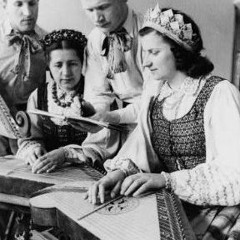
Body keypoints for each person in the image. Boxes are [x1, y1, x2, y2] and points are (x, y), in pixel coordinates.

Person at [86, 5, 240, 239]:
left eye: (153, 53)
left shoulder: (219, 93)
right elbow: (142, 148)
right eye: (144, 53)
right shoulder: (156, 95)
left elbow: (234, 171)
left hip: (218, 204)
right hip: (172, 203)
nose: (145, 63)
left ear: (178, 51)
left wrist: (167, 180)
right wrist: (117, 174)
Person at [17, 29, 119, 175]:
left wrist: (65, 154)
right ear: (48, 66)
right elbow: (30, 138)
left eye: (72, 64)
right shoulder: (38, 96)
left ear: (82, 64)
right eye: (58, 65)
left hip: (92, 175)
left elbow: (103, 148)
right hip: (51, 174)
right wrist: (34, 149)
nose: (66, 72)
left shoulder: (99, 96)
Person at [80, 0, 149, 125]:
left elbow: (156, 97)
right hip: (124, 121)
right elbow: (98, 92)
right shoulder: (95, 39)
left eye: (103, 7)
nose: (97, 18)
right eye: (90, 10)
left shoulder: (150, 34)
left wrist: (114, 117)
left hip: (159, 116)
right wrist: (95, 115)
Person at [0, 0, 46, 156]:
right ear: (4, 5)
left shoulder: (49, 42)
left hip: (34, 127)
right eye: (19, 4)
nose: (28, 12)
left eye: (32, 3)